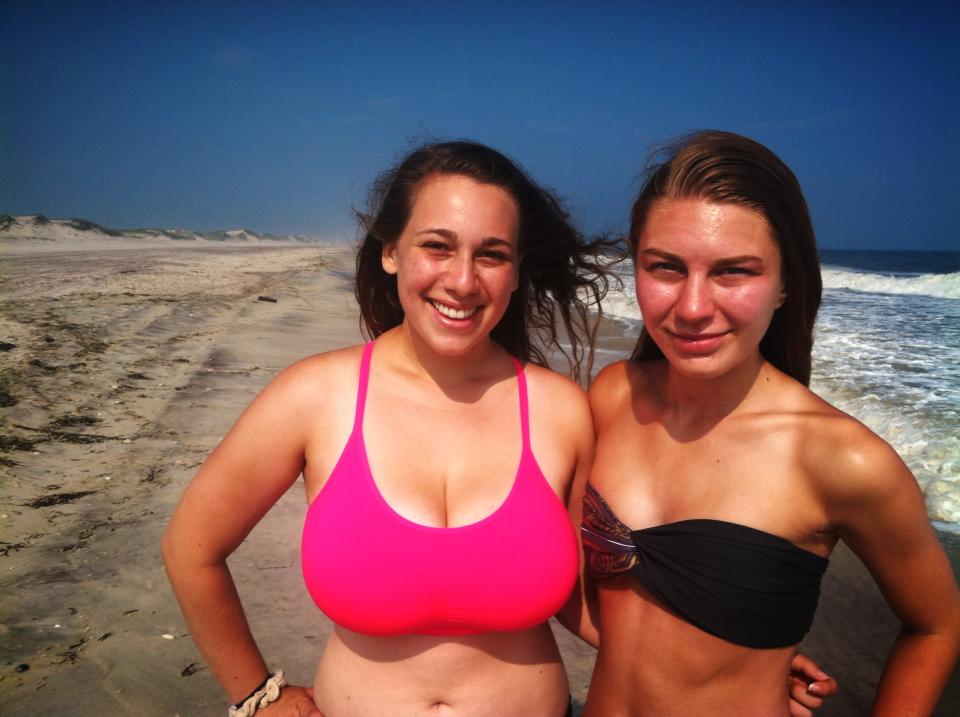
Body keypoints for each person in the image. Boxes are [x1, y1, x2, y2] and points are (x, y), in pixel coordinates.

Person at [163, 140, 834, 717]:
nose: (462, 280)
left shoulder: (560, 410)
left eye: (491, 254)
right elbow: (192, 548)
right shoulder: (314, 395)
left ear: (516, 272)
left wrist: (731, 664)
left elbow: (583, 598)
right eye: (437, 246)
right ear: (391, 250)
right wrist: (258, 694)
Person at [574, 130, 960, 716]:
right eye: (666, 268)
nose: (693, 307)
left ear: (785, 284)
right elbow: (590, 597)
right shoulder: (614, 396)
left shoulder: (840, 460)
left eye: (734, 271)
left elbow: (937, 626)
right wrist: (710, 659)